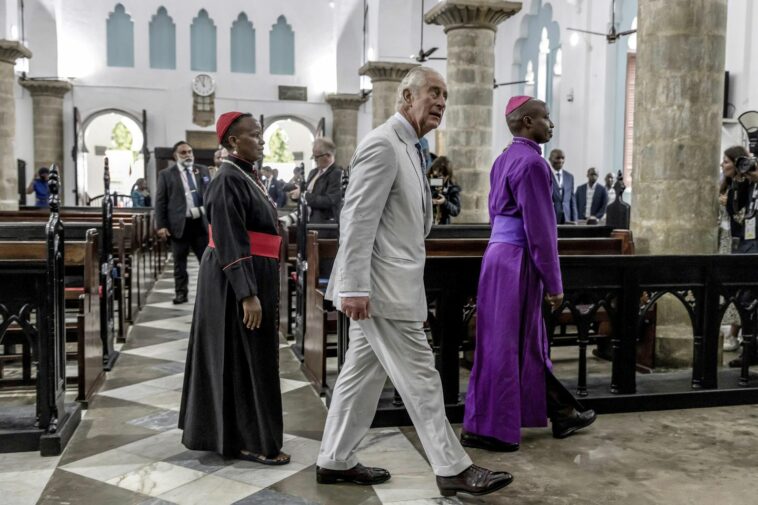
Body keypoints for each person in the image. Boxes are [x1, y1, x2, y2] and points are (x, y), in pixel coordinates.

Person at [317, 66, 512, 498]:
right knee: (422, 376)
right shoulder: (384, 145)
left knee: (360, 377)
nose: (442, 102)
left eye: (446, 95)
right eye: (434, 93)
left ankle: (334, 458)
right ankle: (451, 467)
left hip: (391, 283)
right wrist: (352, 286)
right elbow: (357, 220)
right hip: (382, 288)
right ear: (406, 97)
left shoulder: (410, 146)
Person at [462, 96, 596, 453]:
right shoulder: (534, 164)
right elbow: (542, 230)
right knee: (514, 345)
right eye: (545, 118)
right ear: (526, 122)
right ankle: (498, 430)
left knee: (498, 343)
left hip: (496, 257)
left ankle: (549, 412)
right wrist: (554, 283)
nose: (550, 125)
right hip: (519, 259)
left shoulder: (503, 158)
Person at [178, 111, 290, 465]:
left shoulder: (245, 174)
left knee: (250, 359)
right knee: (243, 360)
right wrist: (247, 293)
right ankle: (252, 440)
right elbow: (229, 238)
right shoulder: (227, 179)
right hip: (234, 283)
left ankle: (245, 436)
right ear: (232, 141)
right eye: (254, 135)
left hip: (253, 274)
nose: (261, 141)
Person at [155, 141, 211, 304]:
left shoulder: (202, 170)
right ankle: (181, 293)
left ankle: (209, 293)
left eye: (190, 152)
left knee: (207, 262)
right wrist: (162, 225)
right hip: (179, 224)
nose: (188, 155)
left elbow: (209, 195)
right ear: (176, 156)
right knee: (180, 263)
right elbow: (160, 202)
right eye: (184, 153)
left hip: (200, 223)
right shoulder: (166, 174)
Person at [723, 145, 758, 367]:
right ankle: (750, 351)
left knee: (748, 301)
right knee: (744, 299)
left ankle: (750, 350)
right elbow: (738, 210)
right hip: (749, 244)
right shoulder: (750, 185)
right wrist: (740, 179)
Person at [289, 138, 343, 223]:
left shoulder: (337, 173)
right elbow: (308, 194)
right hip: (306, 220)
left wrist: (303, 195)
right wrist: (296, 195)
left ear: (328, 155)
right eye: (313, 156)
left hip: (323, 225)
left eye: (317, 157)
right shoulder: (313, 172)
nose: (314, 160)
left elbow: (330, 201)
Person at [718, 167, 741, 352]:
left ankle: (734, 333)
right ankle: (725, 330)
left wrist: (729, 205)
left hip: (736, 240)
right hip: (723, 239)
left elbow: (742, 215)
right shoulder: (724, 185)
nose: (722, 166)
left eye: (726, 162)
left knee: (737, 289)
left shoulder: (742, 186)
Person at [427, 156, 461, 224]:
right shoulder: (427, 183)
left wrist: (444, 202)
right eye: (435, 176)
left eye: (440, 177)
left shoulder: (452, 188)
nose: (437, 180)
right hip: (427, 224)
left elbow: (456, 210)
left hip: (443, 226)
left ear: (447, 176)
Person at [549, 149, 577, 224]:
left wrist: (575, 219)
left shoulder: (569, 177)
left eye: (563, 158)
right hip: (551, 217)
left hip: (567, 218)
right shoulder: (545, 175)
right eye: (557, 158)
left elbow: (572, 199)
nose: (560, 160)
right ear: (550, 159)